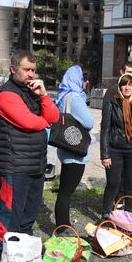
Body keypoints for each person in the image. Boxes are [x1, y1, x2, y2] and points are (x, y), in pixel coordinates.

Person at [0, 50, 59, 252]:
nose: (31, 74)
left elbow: (54, 117)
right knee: (11, 212)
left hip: (35, 162)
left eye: (34, 70)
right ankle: (3, 252)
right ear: (13, 69)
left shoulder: (33, 91)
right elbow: (29, 122)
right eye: (27, 69)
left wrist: (44, 95)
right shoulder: (5, 94)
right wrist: (45, 121)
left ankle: (24, 249)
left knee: (30, 211)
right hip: (15, 164)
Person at [100, 73, 132, 219]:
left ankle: (129, 215)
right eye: (124, 84)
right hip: (115, 150)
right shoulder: (112, 102)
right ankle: (106, 212)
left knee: (130, 184)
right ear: (119, 86)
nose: (127, 87)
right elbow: (105, 129)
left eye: (130, 84)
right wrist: (105, 155)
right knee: (113, 183)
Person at [54, 65, 94, 232]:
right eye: (84, 80)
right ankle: (63, 228)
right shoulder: (74, 98)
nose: (85, 83)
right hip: (75, 151)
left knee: (64, 190)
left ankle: (63, 225)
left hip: (66, 148)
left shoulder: (63, 96)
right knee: (66, 192)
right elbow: (89, 122)